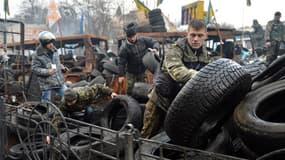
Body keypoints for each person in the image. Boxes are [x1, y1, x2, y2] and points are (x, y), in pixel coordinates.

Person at [141, 19, 214, 139]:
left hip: (184, 101)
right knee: (149, 133)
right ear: (187, 34)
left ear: (205, 36)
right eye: (193, 35)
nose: (196, 39)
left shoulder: (207, 55)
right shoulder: (174, 49)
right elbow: (177, 72)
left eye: (200, 35)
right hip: (162, 99)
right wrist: (202, 76)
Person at [118, 22, 160, 95]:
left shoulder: (143, 40)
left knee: (143, 89)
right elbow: (121, 63)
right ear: (127, 37)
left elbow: (154, 42)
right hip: (131, 72)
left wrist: (155, 48)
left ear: (136, 34)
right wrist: (121, 75)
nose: (132, 39)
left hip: (142, 71)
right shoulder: (124, 48)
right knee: (130, 90)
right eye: (130, 37)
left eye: (134, 36)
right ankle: (130, 103)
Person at [32, 31, 68, 102]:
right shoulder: (37, 54)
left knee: (69, 95)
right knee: (46, 105)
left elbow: (55, 63)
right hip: (46, 84)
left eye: (52, 42)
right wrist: (48, 72)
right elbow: (34, 69)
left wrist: (61, 67)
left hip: (58, 81)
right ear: (43, 44)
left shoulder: (54, 50)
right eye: (49, 43)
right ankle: (45, 113)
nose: (51, 45)